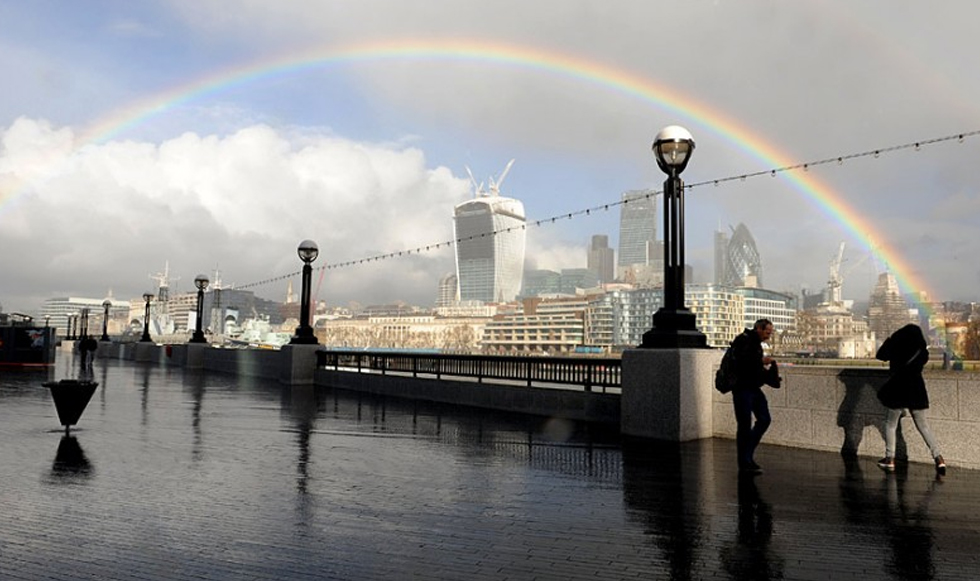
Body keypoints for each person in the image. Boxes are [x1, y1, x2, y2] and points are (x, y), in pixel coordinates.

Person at [875, 323, 946, 475]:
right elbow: (924, 358)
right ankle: (938, 458)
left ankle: (890, 459)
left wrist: (890, 339)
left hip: (899, 389)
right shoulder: (921, 352)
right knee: (923, 426)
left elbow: (880, 355)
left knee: (890, 424)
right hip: (917, 390)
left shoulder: (895, 347)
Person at [730, 319, 781, 474]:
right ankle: (745, 461)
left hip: (751, 388)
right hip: (742, 389)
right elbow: (742, 363)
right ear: (758, 328)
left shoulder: (753, 342)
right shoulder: (744, 340)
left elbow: (751, 367)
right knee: (746, 425)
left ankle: (747, 455)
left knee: (763, 419)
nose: (769, 336)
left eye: (770, 333)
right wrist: (762, 361)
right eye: (767, 332)